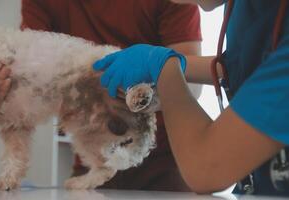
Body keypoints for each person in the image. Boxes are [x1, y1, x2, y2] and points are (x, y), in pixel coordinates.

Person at [93, 0, 289, 196]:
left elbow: (206, 170)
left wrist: (166, 68)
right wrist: (179, 64)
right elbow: (242, 66)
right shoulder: (249, 8)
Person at [19, 0, 203, 191]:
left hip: (165, 160)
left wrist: (141, 100)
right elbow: (27, 68)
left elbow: (192, 84)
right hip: (93, 159)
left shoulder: (174, 2)